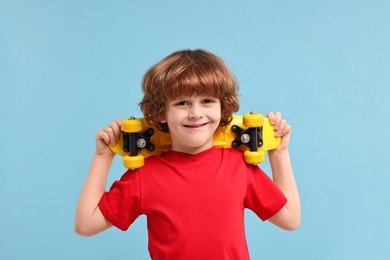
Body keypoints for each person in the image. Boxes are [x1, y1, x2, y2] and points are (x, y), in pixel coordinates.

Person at [74, 49, 301, 259]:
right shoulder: (145, 176)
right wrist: (103, 157)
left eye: (207, 101)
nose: (196, 113)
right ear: (162, 112)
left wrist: (279, 152)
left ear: (223, 107)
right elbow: (86, 225)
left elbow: (290, 218)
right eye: (182, 103)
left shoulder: (239, 167)